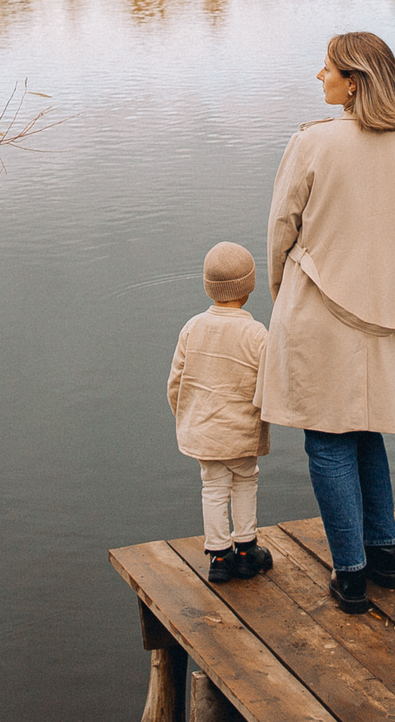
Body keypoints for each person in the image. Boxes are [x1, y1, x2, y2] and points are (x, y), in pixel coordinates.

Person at [261, 31, 395, 614]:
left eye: (328, 70)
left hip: (319, 307)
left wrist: (280, 291)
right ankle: (386, 556)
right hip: (391, 313)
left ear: (355, 82)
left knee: (327, 439)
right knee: (366, 430)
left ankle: (351, 574)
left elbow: (280, 229)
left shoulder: (312, 143)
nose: (320, 77)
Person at [167, 242, 274, 583]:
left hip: (204, 432)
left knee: (212, 487)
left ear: (207, 286)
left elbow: (176, 383)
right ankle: (246, 550)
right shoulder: (257, 334)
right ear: (249, 286)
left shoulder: (192, 328)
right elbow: (269, 386)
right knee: (245, 481)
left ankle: (218, 556)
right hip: (241, 432)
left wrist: (186, 416)